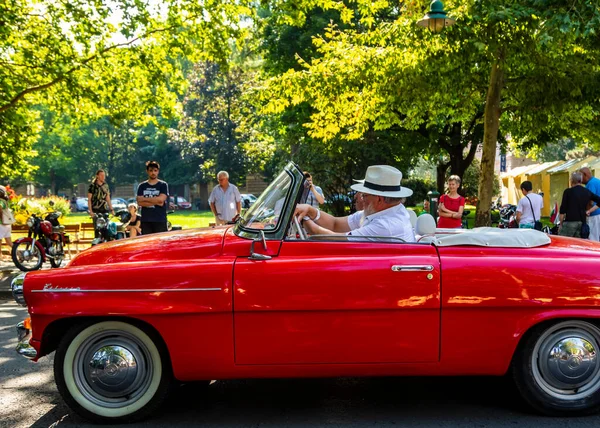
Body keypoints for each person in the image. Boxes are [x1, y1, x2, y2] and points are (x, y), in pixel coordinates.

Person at [295, 165, 415, 242]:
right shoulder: (382, 212)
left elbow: (337, 240)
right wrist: (310, 210)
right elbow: (335, 223)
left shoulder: (386, 225)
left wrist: (302, 217)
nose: (361, 198)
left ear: (379, 199)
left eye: (365, 195)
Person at [558, 171, 600, 238]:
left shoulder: (567, 192)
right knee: (578, 245)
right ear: (580, 180)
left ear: (571, 180)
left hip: (570, 222)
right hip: (582, 223)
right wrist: (589, 211)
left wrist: (560, 224)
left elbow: (562, 209)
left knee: (565, 243)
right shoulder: (586, 191)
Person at [136, 160, 169, 234]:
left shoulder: (163, 185)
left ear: (158, 171)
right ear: (147, 171)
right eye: (151, 170)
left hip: (160, 219)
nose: (153, 173)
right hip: (146, 220)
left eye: (155, 170)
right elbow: (139, 202)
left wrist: (144, 199)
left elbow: (161, 200)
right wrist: (156, 201)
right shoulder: (142, 186)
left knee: (161, 242)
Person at [87, 169, 114, 238]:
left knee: (105, 229)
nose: (103, 177)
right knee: (97, 229)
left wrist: (111, 209)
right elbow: (89, 199)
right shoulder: (92, 186)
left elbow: (108, 198)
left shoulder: (106, 186)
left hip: (104, 209)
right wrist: (91, 211)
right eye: (101, 175)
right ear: (97, 176)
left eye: (104, 175)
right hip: (95, 210)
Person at [580, 167, 600, 241]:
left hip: (594, 215)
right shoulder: (597, 181)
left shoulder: (590, 184)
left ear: (585, 175)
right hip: (598, 213)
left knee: (593, 238)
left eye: (581, 176)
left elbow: (590, 201)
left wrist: (587, 212)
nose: (580, 179)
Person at [0, 186, 14, 262]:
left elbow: (0, 210)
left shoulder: (0, 201)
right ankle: (18, 253)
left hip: (1, 224)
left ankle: (0, 256)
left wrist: (1, 219)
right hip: (7, 224)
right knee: (9, 242)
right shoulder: (4, 200)